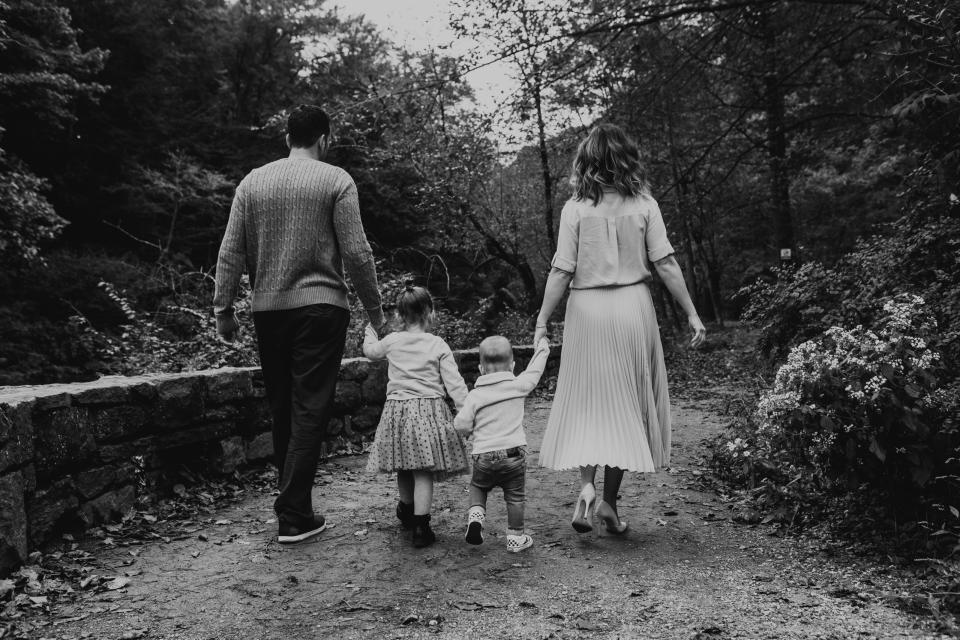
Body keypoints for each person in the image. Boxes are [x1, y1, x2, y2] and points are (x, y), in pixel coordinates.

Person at [213, 105, 385, 544]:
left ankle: (297, 507)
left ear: (287, 137)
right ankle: (292, 512)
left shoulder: (252, 182)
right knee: (310, 406)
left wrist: (224, 310)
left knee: (283, 406)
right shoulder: (336, 180)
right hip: (322, 307)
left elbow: (230, 251)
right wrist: (378, 315)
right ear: (324, 139)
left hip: (268, 310)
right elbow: (357, 253)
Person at [534, 123, 706, 535]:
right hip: (632, 307)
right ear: (626, 159)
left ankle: (588, 488)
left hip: (586, 312)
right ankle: (610, 503)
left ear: (586, 162)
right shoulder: (644, 204)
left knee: (589, 402)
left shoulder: (574, 209)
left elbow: (561, 270)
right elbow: (665, 263)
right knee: (626, 404)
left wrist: (542, 320)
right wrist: (692, 313)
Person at [362, 285, 470, 548]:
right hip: (428, 412)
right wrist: (467, 412)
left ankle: (406, 511)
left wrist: (370, 331)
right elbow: (454, 383)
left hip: (397, 413)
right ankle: (421, 527)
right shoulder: (437, 344)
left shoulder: (392, 340)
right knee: (423, 470)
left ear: (400, 315)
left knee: (404, 465)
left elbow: (371, 352)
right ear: (429, 313)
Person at [454, 335, 550, 553]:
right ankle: (516, 538)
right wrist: (542, 347)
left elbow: (460, 423)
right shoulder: (518, 385)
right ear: (513, 366)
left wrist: (468, 430)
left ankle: (476, 517)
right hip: (513, 456)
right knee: (515, 496)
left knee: (478, 486)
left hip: (483, 457)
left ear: (480, 368)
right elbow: (535, 371)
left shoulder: (475, 396)